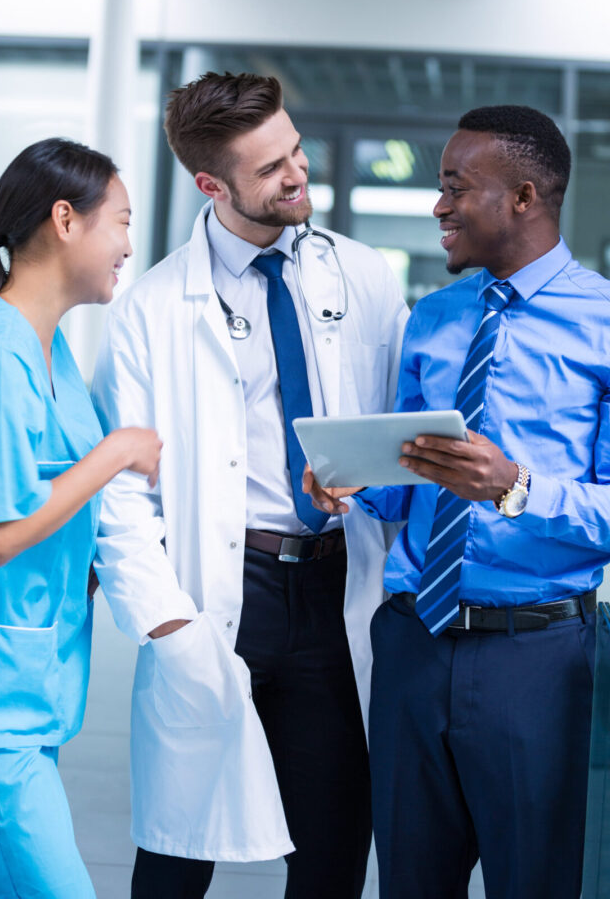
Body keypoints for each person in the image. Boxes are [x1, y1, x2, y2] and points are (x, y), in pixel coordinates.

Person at [306, 105, 610, 899]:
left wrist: (515, 486)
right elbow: (409, 486)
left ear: (524, 196)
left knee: (534, 883)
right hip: (411, 645)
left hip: (536, 663)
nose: (437, 206)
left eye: (453, 187)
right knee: (409, 882)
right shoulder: (436, 318)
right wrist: (354, 483)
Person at [90, 71, 408, 899]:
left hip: (338, 583)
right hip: (220, 598)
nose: (298, 174)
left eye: (295, 151)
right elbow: (121, 498)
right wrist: (170, 627)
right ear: (210, 184)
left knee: (335, 845)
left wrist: (370, 485)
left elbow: (400, 433)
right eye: (270, 169)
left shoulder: (366, 277)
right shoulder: (152, 309)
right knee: (176, 852)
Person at [0, 138, 162, 899]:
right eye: (120, 221)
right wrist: (119, 450)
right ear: (65, 219)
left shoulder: (52, 353)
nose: (128, 243)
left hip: (37, 696)